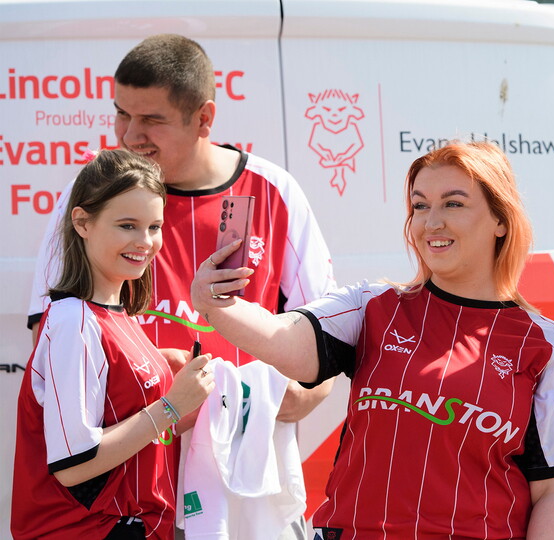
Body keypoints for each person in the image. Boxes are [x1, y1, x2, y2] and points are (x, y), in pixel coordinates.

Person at [188, 141, 554, 539]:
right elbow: (285, 341)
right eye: (420, 205)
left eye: (453, 203)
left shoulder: (546, 344)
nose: (431, 222)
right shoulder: (371, 306)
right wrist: (216, 304)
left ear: (500, 220)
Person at [26, 34, 337, 537]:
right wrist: (162, 404)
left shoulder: (274, 190)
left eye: (151, 119)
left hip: (242, 481)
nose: (129, 134)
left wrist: (306, 393)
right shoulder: (90, 194)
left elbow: (326, 332)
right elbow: (51, 336)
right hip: (130, 490)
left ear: (204, 119)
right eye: (121, 114)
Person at [12, 149, 215, 539]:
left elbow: (127, 427)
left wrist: (161, 374)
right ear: (82, 222)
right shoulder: (73, 318)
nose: (145, 241)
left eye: (154, 226)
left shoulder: (116, 314)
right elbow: (74, 464)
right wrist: (171, 405)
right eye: (127, 225)